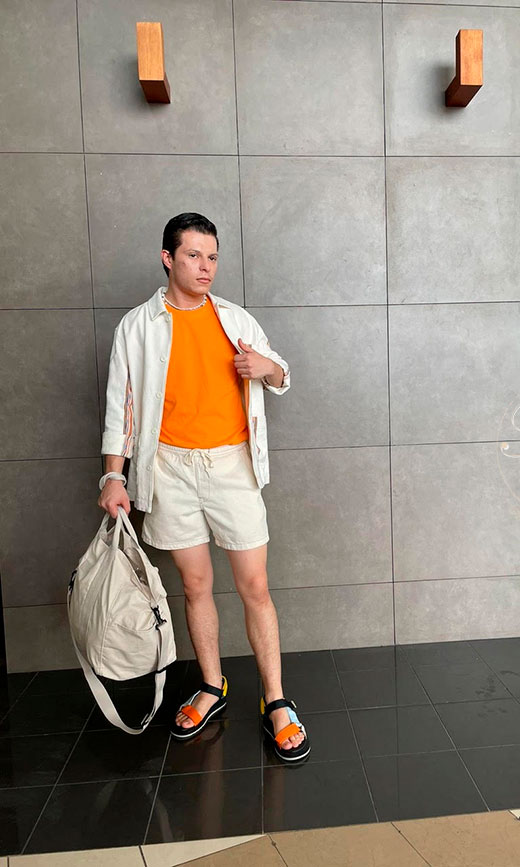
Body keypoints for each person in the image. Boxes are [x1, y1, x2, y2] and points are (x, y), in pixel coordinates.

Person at [97, 212, 310, 763]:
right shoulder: (137, 326)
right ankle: (212, 687)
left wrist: (265, 366)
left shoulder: (234, 318)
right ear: (168, 258)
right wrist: (114, 475)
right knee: (195, 586)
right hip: (168, 468)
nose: (205, 267)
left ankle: (276, 700)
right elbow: (120, 408)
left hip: (231, 466)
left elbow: (282, 375)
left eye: (212, 257)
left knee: (255, 586)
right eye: (194, 255)